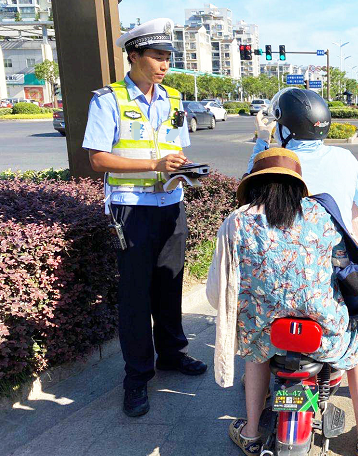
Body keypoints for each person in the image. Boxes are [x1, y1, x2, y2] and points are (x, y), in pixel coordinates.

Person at [83, 18, 207, 418]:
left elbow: (177, 148)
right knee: (136, 295)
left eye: (168, 57)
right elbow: (98, 158)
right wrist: (154, 163)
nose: (164, 64)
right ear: (133, 55)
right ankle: (137, 377)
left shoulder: (173, 97)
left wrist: (183, 168)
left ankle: (172, 354)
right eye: (156, 56)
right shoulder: (108, 100)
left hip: (170, 204)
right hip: (130, 208)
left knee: (169, 287)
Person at [247, 88, 358, 403]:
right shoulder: (343, 157)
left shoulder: (276, 162)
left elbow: (248, 185)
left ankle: (252, 401)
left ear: (284, 127)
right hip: (330, 271)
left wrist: (261, 137)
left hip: (277, 267)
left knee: (254, 325)